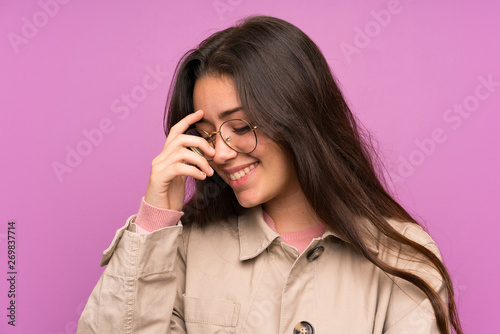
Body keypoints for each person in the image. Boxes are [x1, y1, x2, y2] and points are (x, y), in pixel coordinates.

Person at [78, 16, 463, 334]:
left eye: (241, 127)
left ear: (299, 115)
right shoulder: (185, 248)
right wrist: (154, 221)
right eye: (208, 133)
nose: (221, 152)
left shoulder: (403, 260)